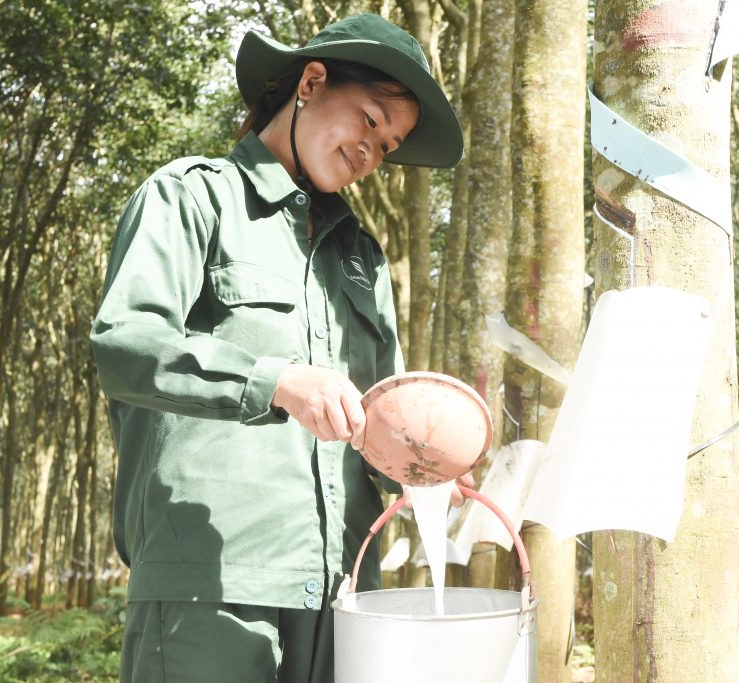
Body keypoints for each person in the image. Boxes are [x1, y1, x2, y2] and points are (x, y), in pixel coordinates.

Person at [90, 14, 465, 682]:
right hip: (212, 582)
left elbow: (381, 414)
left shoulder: (362, 259)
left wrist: (428, 460)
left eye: (391, 144)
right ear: (311, 82)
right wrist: (275, 380)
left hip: (343, 594)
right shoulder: (192, 198)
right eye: (370, 121)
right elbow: (124, 345)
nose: (372, 153)